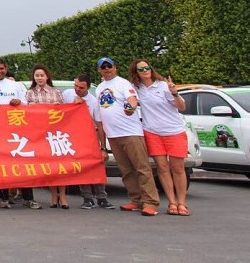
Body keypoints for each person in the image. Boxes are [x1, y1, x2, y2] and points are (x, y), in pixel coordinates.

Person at [94, 56, 159, 216]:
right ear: (99, 70)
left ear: (115, 67)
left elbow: (132, 99)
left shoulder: (123, 83)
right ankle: (136, 200)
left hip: (130, 132)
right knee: (126, 170)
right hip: (113, 135)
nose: (107, 69)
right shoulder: (99, 88)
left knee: (142, 168)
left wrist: (130, 107)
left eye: (109, 66)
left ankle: (150, 202)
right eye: (103, 67)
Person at [131, 59, 190, 216]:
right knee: (162, 168)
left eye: (146, 68)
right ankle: (171, 202)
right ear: (136, 73)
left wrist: (175, 93)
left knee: (177, 168)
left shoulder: (163, 85)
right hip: (152, 132)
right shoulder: (137, 88)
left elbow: (182, 107)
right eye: (141, 69)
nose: (144, 71)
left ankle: (182, 203)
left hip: (174, 131)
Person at [0, 58, 38, 209]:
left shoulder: (16, 85)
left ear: (6, 69)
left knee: (23, 164)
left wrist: (18, 101)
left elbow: (26, 103)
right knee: (1, 165)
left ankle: (28, 198)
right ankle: (4, 198)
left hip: (17, 131)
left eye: (2, 69)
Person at [63, 74, 113, 209]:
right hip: (74, 136)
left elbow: (99, 124)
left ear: (88, 88)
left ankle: (102, 197)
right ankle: (87, 197)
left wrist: (103, 147)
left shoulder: (94, 102)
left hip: (91, 136)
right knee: (82, 166)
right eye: (76, 86)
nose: (77, 89)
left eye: (81, 87)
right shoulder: (67, 94)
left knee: (97, 166)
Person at [26, 64, 66, 208]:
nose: (39, 78)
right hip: (39, 134)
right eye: (37, 75)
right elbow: (26, 114)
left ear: (47, 76)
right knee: (49, 166)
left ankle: (63, 195)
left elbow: (64, 111)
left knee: (60, 166)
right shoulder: (30, 93)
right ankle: (53, 197)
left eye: (42, 75)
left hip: (55, 133)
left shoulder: (55, 92)